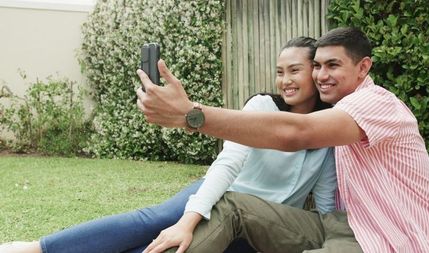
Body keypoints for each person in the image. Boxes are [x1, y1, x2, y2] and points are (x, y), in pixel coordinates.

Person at [0, 37, 337, 253]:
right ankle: (38, 249)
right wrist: (188, 218)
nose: (285, 80)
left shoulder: (329, 129)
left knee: (170, 247)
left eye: (295, 70)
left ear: (316, 73)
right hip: (218, 192)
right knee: (154, 221)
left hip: (257, 222)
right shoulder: (262, 107)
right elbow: (228, 164)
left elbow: (324, 193)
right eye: (280, 72)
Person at [135, 27, 429, 252]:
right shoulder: (335, 115)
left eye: (333, 65)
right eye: (318, 66)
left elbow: (296, 133)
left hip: (391, 238)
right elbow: (325, 188)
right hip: (338, 223)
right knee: (228, 206)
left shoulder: (376, 103)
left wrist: (192, 114)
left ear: (363, 67)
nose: (321, 75)